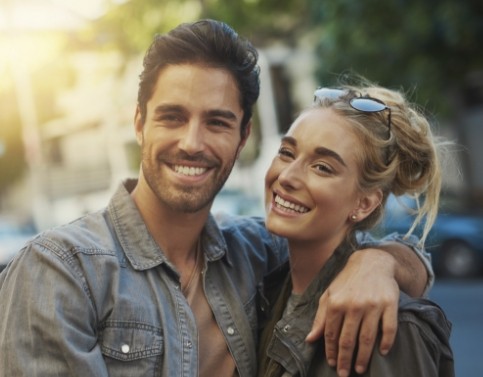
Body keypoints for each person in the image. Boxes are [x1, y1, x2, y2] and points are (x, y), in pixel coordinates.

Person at [0, 20, 432, 376]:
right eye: (172, 117)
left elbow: (353, 249)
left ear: (243, 136)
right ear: (139, 124)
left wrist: (379, 262)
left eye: (217, 122)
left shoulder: (256, 254)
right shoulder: (59, 270)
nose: (191, 143)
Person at [257, 84, 455, 376]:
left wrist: (381, 261)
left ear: (364, 204)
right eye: (287, 152)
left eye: (322, 167)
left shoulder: (386, 324)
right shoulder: (265, 288)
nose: (286, 176)